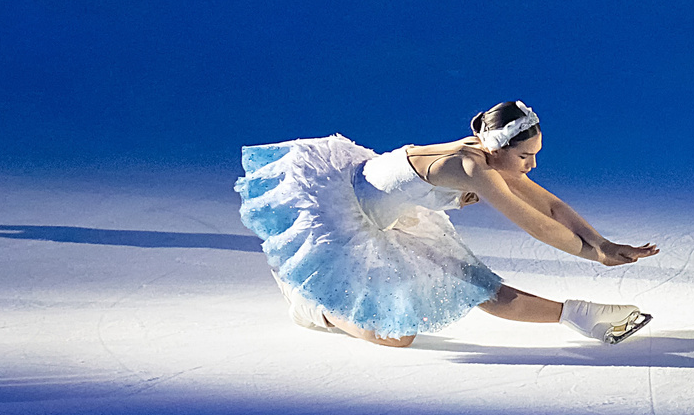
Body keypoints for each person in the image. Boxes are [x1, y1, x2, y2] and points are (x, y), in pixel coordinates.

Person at [236, 101, 658, 348]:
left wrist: (601, 243)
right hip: (345, 213)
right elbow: (537, 226)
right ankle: (309, 306)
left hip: (396, 216)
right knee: (396, 335)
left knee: (456, 297)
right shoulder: (473, 167)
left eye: (535, 154)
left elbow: (549, 205)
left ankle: (580, 315)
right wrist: (595, 256)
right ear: (497, 148)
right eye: (524, 156)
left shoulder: (488, 158)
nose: (531, 165)